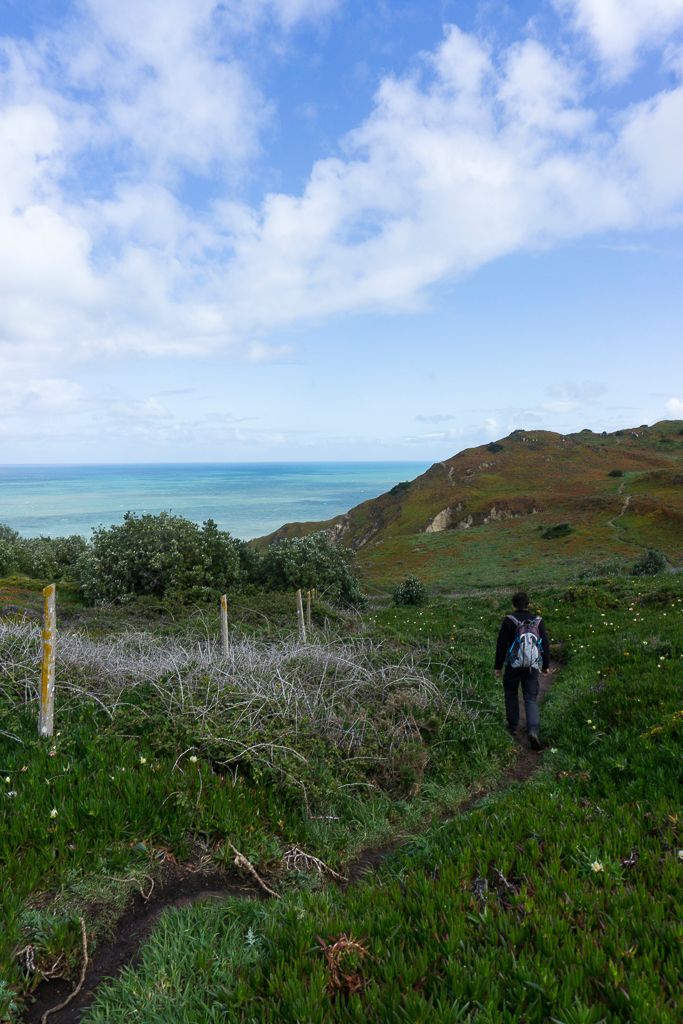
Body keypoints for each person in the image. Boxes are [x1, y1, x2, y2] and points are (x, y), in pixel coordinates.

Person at [494, 591, 550, 750]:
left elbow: (501, 646)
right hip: (532, 666)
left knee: (511, 693)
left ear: (513, 605)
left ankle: (513, 727)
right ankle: (533, 730)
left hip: (513, 665)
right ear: (529, 604)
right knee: (530, 697)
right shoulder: (537, 621)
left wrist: (498, 667)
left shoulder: (508, 620)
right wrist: (545, 665)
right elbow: (544, 644)